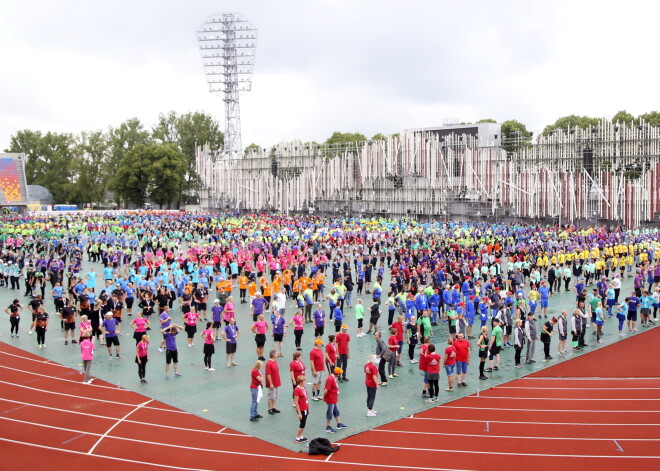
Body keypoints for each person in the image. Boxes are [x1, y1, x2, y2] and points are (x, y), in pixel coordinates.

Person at [323, 366, 348, 433]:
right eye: (339, 373)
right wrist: (323, 397)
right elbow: (326, 390)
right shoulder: (330, 379)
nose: (340, 375)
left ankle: (338, 424)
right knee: (330, 412)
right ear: (337, 374)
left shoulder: (333, 378)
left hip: (334, 398)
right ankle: (328, 427)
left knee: (336, 411)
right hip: (330, 399)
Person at [293, 375, 309, 443]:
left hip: (305, 408)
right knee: (302, 424)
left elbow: (305, 397)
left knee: (303, 423)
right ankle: (297, 438)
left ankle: (301, 437)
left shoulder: (303, 387)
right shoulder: (297, 389)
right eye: (304, 381)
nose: (305, 382)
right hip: (302, 409)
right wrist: (299, 413)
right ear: (300, 382)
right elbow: (296, 402)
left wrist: (308, 408)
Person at [265, 350, 281, 415]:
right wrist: (271, 383)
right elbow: (268, 374)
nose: (277, 354)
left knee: (275, 396)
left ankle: (273, 407)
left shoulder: (275, 362)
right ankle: (270, 408)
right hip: (272, 383)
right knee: (271, 396)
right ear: (273, 355)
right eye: (276, 354)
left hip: (276, 381)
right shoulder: (269, 363)